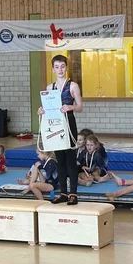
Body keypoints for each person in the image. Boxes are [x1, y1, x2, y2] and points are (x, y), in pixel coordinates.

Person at [37, 55, 83, 206]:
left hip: (68, 122)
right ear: (53, 69)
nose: (60, 70)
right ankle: (63, 193)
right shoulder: (49, 88)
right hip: (55, 124)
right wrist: (42, 110)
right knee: (60, 160)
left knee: (70, 160)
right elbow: (49, 108)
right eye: (57, 67)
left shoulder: (73, 86)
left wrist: (71, 106)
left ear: (66, 67)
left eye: (62, 66)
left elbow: (80, 107)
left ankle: (73, 193)